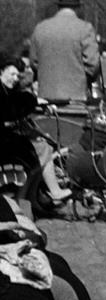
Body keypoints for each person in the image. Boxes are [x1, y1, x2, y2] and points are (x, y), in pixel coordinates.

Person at [0, 57, 73, 211]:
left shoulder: (8, 90)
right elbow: (11, 108)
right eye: (11, 74)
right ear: (1, 72)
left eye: (17, 76)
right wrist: (34, 101)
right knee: (39, 150)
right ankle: (25, 198)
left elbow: (17, 104)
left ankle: (30, 198)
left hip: (6, 139)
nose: (15, 79)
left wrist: (38, 103)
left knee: (40, 147)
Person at [29, 0, 101, 107]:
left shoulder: (40, 28)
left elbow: (34, 62)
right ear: (78, 7)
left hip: (45, 96)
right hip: (75, 96)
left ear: (58, 6)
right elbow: (93, 64)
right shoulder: (85, 28)